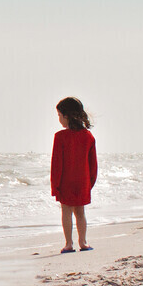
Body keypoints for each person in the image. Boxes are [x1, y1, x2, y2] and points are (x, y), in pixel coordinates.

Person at [51, 97, 97, 253]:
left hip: (66, 182)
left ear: (67, 116)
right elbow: (93, 164)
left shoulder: (60, 137)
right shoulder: (88, 136)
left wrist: (55, 186)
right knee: (80, 213)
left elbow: (57, 164)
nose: (59, 119)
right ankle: (83, 242)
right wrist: (90, 183)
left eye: (59, 115)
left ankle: (69, 244)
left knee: (66, 212)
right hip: (83, 181)